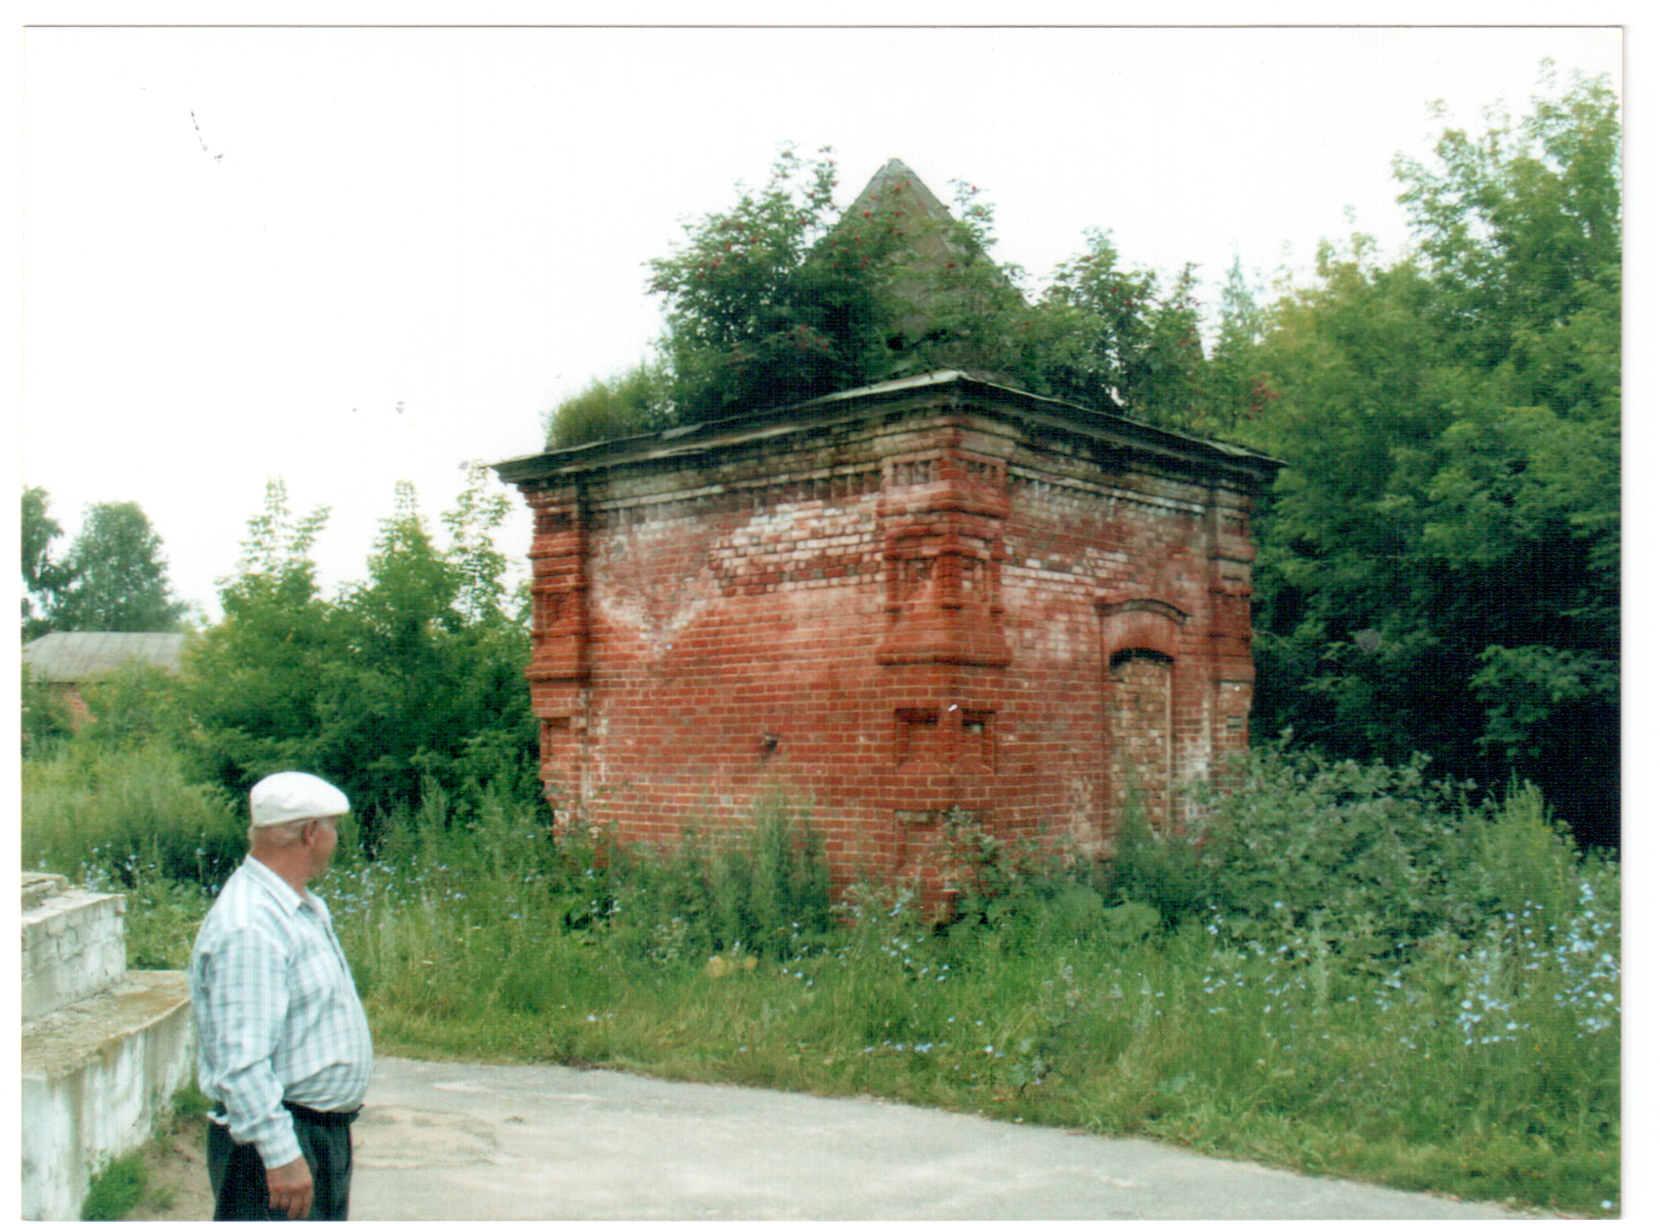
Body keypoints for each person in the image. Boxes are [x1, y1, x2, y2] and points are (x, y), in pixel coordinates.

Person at [189, 772, 374, 1220]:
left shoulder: (297, 907)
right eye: (332, 828)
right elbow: (242, 1061)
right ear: (311, 833)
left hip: (314, 1136)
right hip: (277, 1143)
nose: (335, 840)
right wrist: (281, 1155)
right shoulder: (251, 924)